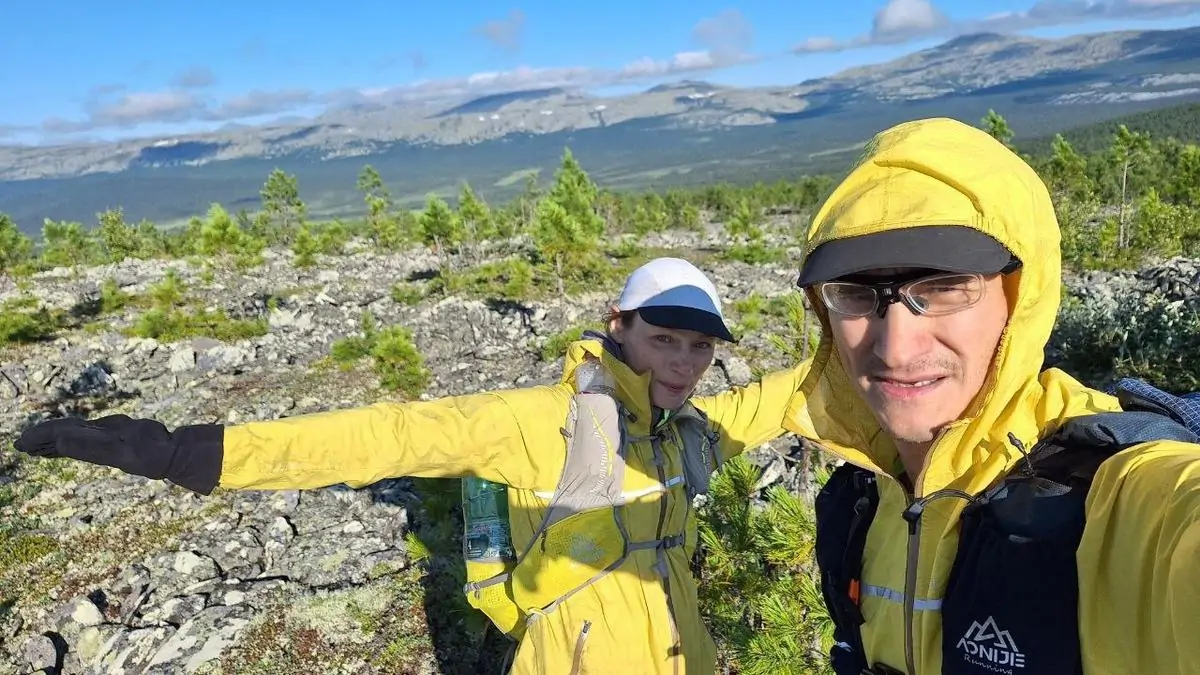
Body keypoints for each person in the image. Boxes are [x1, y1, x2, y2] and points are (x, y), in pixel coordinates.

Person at [13, 255, 811, 675]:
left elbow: (790, 394)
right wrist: (182, 451)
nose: (683, 362)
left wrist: (869, 300)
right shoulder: (539, 421)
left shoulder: (689, 431)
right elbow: (382, 436)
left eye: (699, 346)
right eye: (663, 338)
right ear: (618, 325)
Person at [778, 116, 1200, 675]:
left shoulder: (1114, 493)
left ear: (1021, 297)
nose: (896, 346)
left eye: (946, 286)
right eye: (856, 292)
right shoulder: (865, 495)